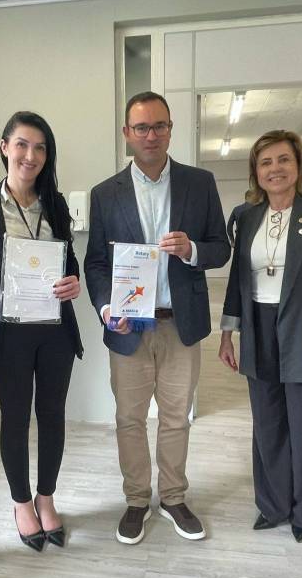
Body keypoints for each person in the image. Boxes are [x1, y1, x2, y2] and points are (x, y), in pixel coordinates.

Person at [84, 91, 230, 545]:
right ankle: (136, 501)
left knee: (176, 418)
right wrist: (107, 309)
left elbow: (221, 248)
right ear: (127, 133)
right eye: (142, 127)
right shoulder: (105, 193)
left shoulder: (199, 183)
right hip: (128, 327)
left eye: (159, 126)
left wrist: (192, 250)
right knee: (129, 419)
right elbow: (96, 264)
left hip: (180, 324)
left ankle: (173, 497)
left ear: (171, 129)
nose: (151, 135)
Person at [218, 130, 302, 543]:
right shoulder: (246, 216)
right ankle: (274, 504)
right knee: (268, 424)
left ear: (298, 165)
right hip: (258, 329)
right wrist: (228, 334)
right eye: (266, 162)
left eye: (283, 160)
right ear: (256, 172)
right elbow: (238, 280)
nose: (275, 169)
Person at [0, 111, 83, 552]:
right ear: (4, 147)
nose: (31, 155)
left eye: (41, 148)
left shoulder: (55, 203)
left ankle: (46, 498)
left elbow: (69, 259)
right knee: (15, 418)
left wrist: (73, 280)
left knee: (52, 415)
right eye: (23, 145)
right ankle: (21, 503)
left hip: (54, 332)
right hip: (8, 335)